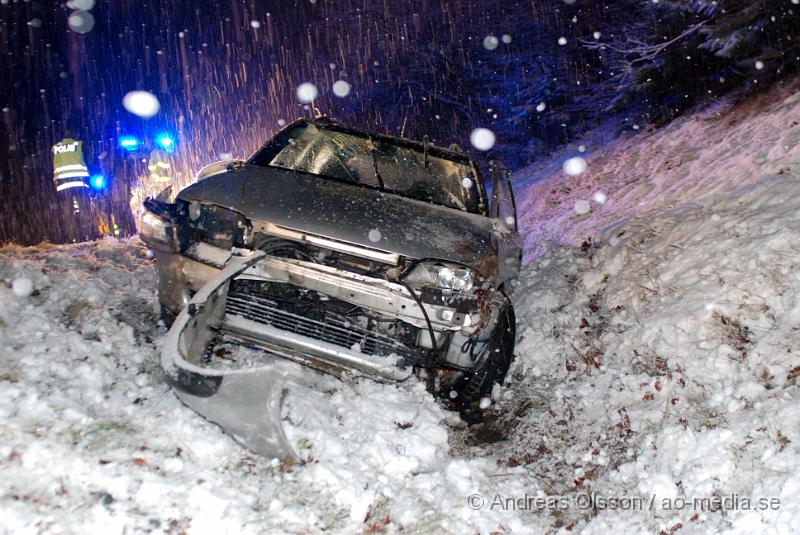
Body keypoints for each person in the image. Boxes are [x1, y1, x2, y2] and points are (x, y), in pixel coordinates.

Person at [52, 129, 93, 241]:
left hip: (62, 185)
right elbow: (88, 159)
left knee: (67, 213)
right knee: (85, 210)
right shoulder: (79, 144)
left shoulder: (55, 147)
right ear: (74, 135)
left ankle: (73, 238)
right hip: (79, 182)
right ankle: (89, 236)